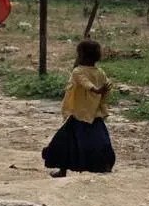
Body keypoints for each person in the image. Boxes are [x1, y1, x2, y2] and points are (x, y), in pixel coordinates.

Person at [41, 39, 117, 178]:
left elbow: (84, 82)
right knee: (101, 141)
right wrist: (100, 93)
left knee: (64, 143)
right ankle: (104, 166)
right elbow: (106, 86)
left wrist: (96, 90)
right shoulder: (100, 72)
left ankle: (62, 170)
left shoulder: (78, 71)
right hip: (94, 114)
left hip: (79, 114)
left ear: (80, 55)